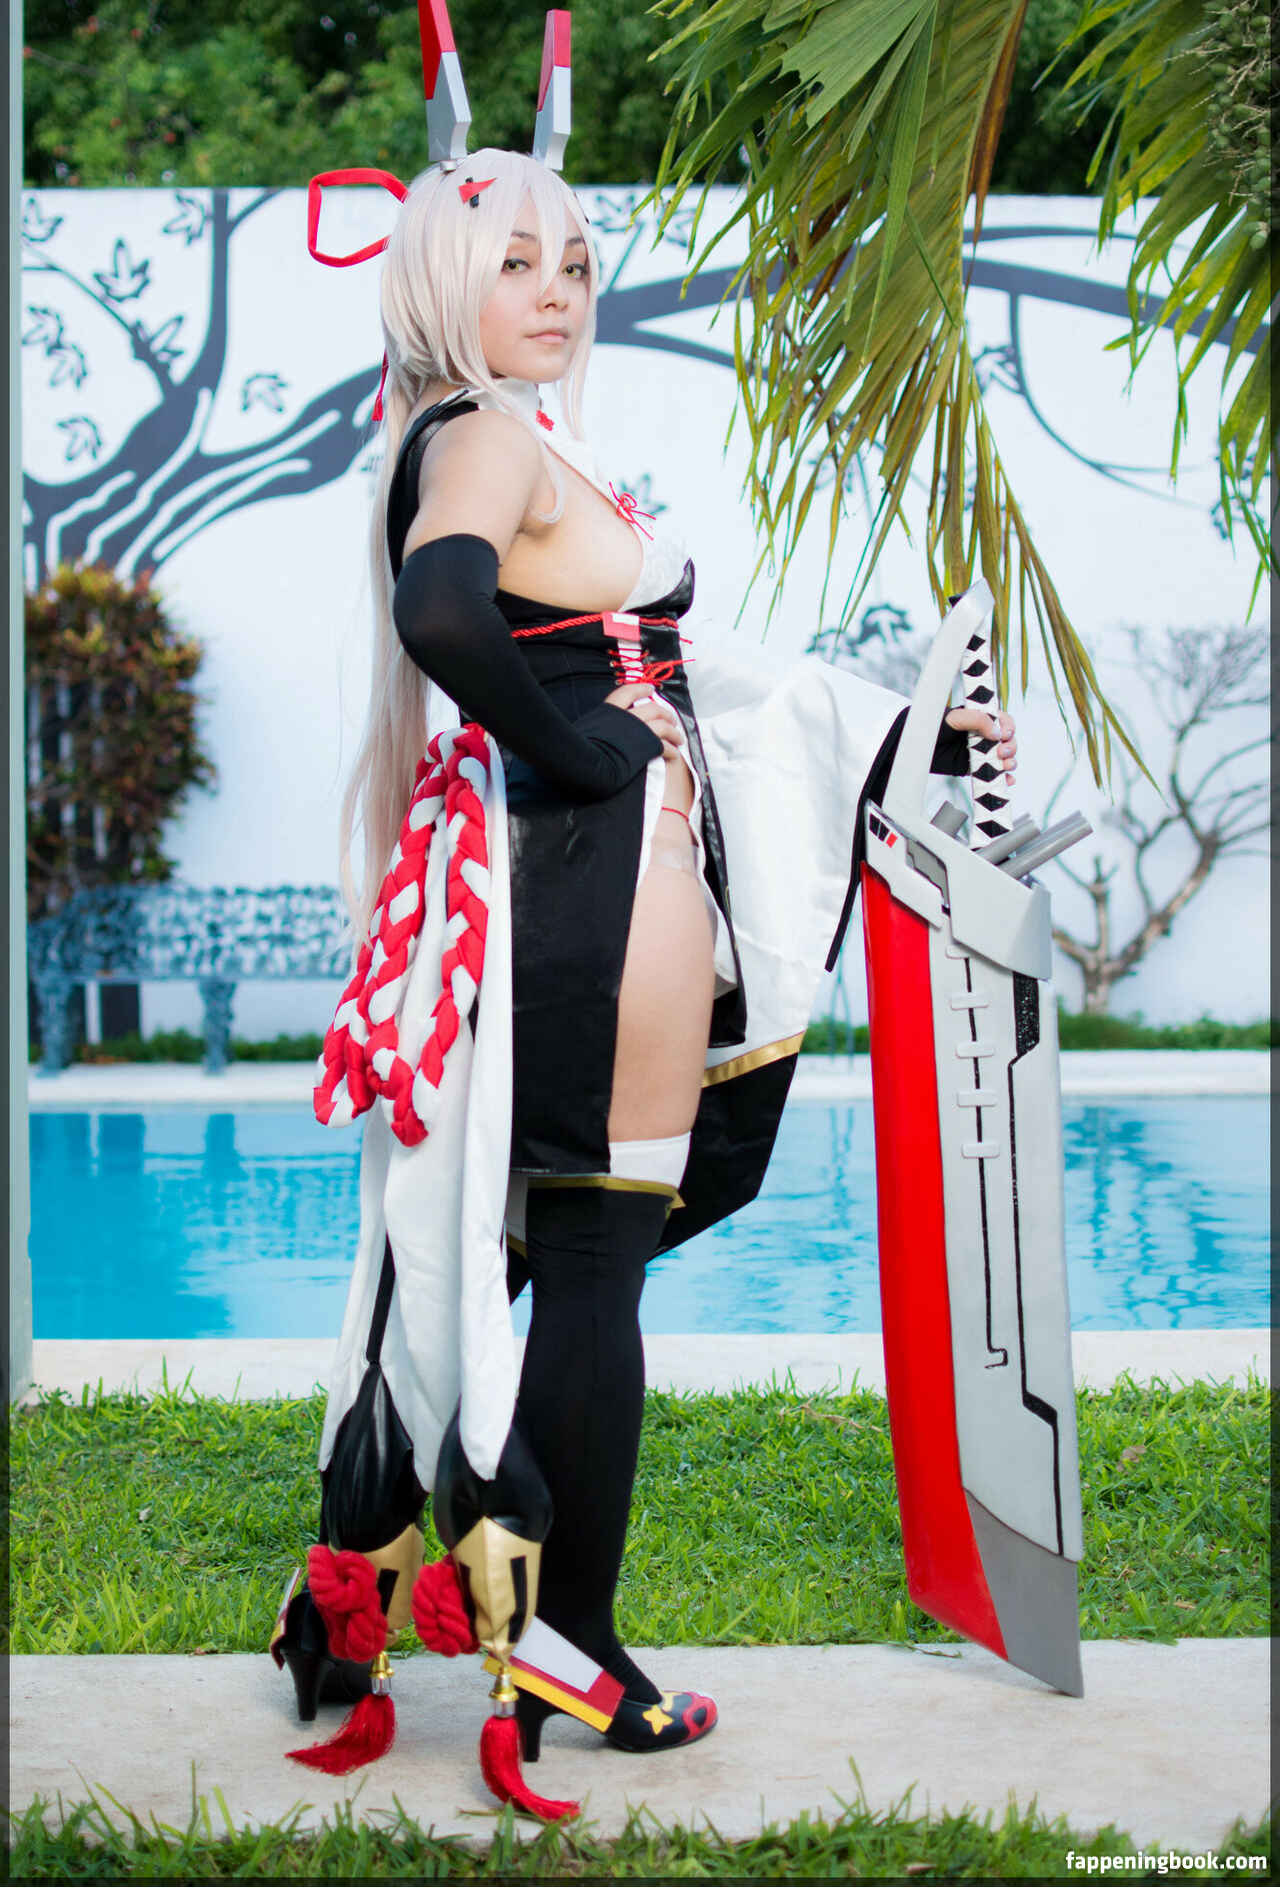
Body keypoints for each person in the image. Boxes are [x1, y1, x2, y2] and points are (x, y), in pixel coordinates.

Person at [276, 144, 1017, 1805]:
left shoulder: (503, 438)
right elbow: (444, 612)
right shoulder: (479, 433)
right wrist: (583, 756)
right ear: (443, 281)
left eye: (576, 264)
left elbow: (667, 663)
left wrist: (916, 729)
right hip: (600, 883)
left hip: (566, 884)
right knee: (592, 1254)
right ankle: (569, 1639)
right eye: (517, 262)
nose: (556, 292)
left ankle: (381, 1598)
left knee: (520, 1249)